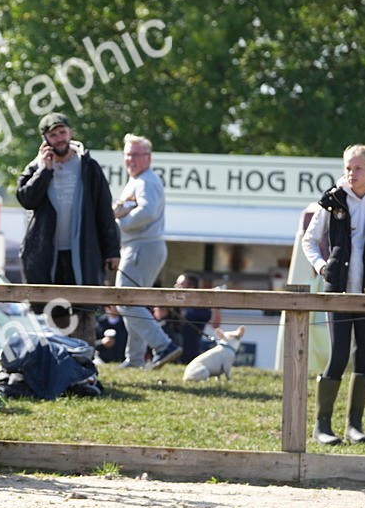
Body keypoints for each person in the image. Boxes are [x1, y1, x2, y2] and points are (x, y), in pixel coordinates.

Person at [16, 113, 120, 345]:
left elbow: (104, 210)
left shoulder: (89, 167)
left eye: (62, 132)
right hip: (46, 253)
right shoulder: (36, 167)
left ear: (70, 133)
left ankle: (84, 363)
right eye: (53, 135)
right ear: (45, 140)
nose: (59, 138)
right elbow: (26, 199)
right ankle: (56, 360)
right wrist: (45, 170)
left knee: (83, 308)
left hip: (82, 251)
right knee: (52, 309)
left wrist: (112, 250)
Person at [302, 144, 365, 445]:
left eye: (357, 168)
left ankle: (354, 425)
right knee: (339, 354)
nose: (350, 173)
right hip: (338, 291)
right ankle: (322, 426)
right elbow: (310, 240)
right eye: (347, 167)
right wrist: (321, 266)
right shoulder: (331, 200)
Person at [113, 134, 181, 369]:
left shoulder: (145, 181)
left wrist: (119, 223)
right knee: (134, 302)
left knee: (125, 300)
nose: (130, 159)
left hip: (142, 246)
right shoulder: (141, 180)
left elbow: (148, 211)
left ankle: (163, 346)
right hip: (144, 247)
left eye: (136, 154)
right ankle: (134, 360)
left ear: (148, 157)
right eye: (127, 154)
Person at [153, 273, 222, 363]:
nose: (175, 287)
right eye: (176, 284)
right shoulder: (172, 305)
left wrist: (214, 303)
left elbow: (215, 324)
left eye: (180, 285)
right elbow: (158, 316)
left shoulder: (199, 308)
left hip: (190, 355)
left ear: (191, 287)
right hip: (171, 355)